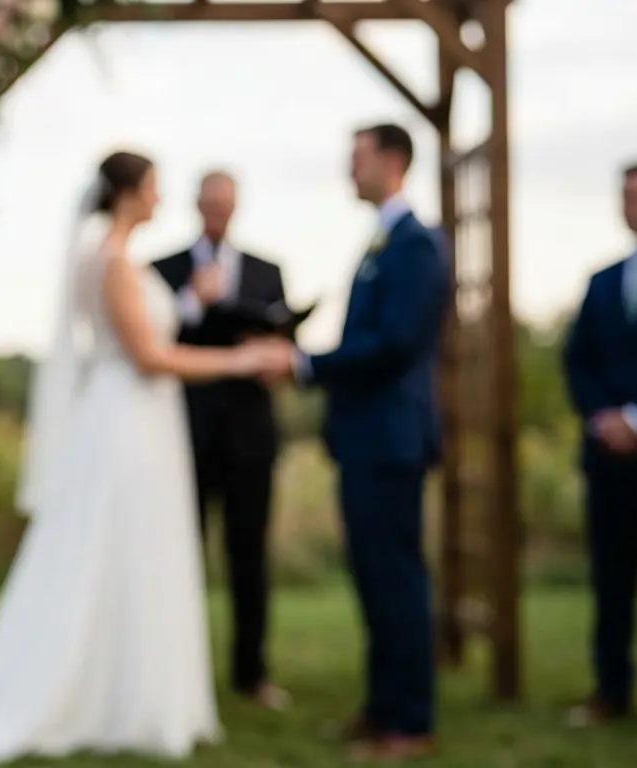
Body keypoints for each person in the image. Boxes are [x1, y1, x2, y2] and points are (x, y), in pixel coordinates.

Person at [0, 151, 286, 762]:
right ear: (130, 194)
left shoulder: (119, 260)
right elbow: (150, 356)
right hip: (127, 422)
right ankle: (109, 697)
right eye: (155, 188)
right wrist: (244, 360)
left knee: (138, 555)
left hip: (140, 420)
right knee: (121, 550)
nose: (162, 200)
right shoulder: (112, 262)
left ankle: (131, 693)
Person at [255, 123, 448, 761]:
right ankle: (382, 707)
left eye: (358, 157)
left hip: (390, 439)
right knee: (373, 581)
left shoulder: (415, 246)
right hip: (366, 440)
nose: (349, 169)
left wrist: (306, 364)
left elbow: (394, 346)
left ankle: (410, 722)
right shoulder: (382, 242)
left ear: (392, 162)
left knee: (397, 581)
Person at [151, 170, 292, 709]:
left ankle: (252, 673)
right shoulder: (165, 271)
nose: (217, 212)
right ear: (197, 206)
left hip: (251, 437)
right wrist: (192, 300)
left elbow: (282, 339)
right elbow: (152, 340)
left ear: (236, 208)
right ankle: (180, 673)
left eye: (226, 204)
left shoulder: (266, 271)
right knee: (180, 555)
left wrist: (272, 355)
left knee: (249, 557)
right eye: (209, 203)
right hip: (183, 434)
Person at [562, 160, 637, 727]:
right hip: (607, 458)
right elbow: (576, 358)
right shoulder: (603, 280)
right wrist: (603, 416)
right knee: (611, 578)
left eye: (636, 195)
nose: (626, 205)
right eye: (620, 195)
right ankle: (611, 689)